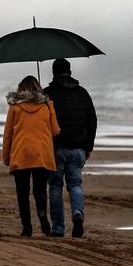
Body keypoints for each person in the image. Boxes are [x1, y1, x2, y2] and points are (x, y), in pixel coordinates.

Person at [44, 58, 97, 238]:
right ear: (70, 71)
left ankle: (58, 228)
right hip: (78, 148)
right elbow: (92, 120)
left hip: (56, 148)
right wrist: (89, 146)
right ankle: (78, 214)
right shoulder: (82, 93)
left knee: (55, 187)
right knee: (75, 184)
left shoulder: (48, 94)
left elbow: (42, 123)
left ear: (53, 72)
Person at [1, 75, 61, 237]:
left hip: (21, 153)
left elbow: (8, 134)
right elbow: (55, 130)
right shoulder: (46, 106)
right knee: (40, 191)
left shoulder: (15, 107)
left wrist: (6, 157)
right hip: (41, 154)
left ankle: (27, 227)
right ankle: (42, 216)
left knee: (22, 192)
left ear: (21, 90)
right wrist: (50, 107)